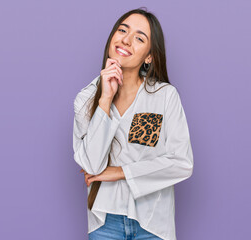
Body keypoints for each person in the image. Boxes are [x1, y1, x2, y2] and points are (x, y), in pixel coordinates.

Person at [73, 7, 194, 240]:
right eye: (122, 30)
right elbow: (91, 163)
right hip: (104, 223)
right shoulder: (86, 99)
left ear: (149, 56)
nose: (126, 40)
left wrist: (120, 172)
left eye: (139, 38)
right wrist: (105, 100)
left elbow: (182, 163)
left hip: (153, 223)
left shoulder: (164, 96)